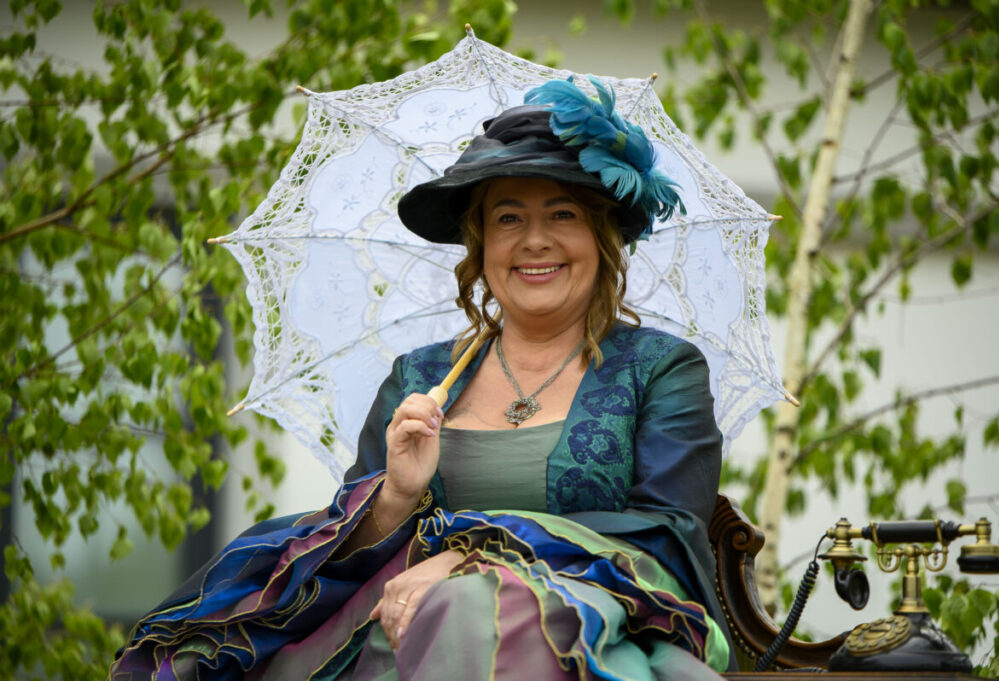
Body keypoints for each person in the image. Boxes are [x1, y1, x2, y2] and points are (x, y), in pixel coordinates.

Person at [110, 77, 733, 681]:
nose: (535, 241)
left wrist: (470, 560)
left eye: (562, 213)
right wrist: (395, 498)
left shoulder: (662, 369)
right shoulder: (420, 376)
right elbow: (350, 556)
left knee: (467, 607)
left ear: (602, 237)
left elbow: (667, 534)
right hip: (400, 634)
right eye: (508, 218)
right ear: (480, 246)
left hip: (599, 630)